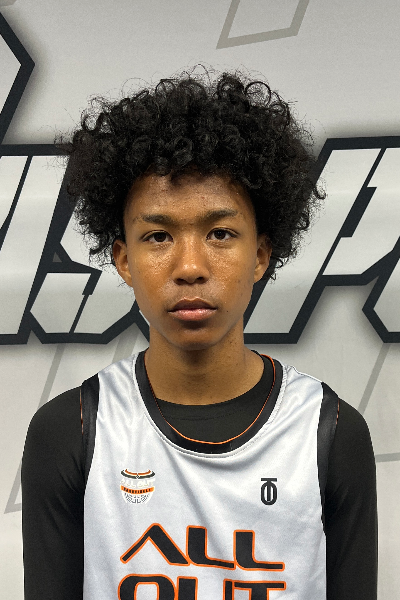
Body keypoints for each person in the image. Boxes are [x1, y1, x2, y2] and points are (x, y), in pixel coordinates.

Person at [22, 69, 377, 600]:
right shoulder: (71, 431)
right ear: (123, 259)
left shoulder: (330, 432)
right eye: (158, 236)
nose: (190, 266)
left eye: (220, 233)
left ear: (261, 254)